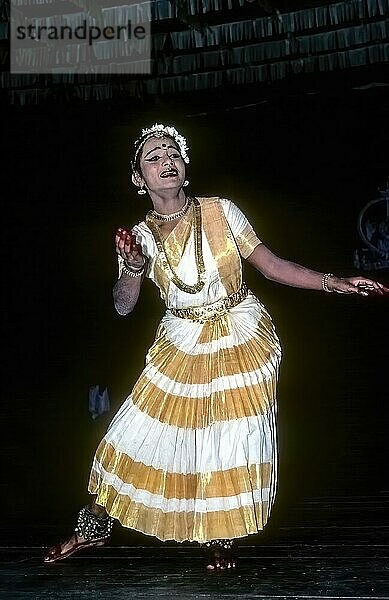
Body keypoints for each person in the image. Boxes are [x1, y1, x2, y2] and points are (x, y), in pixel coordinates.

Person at [44, 123, 387, 570]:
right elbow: (123, 306)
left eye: (172, 153)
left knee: (227, 441)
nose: (166, 160)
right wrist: (131, 268)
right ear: (138, 178)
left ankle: (220, 537)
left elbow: (271, 264)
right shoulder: (140, 237)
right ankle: (93, 528)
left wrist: (333, 282)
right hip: (180, 341)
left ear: (184, 167)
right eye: (153, 156)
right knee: (136, 436)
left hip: (240, 334)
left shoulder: (222, 211)